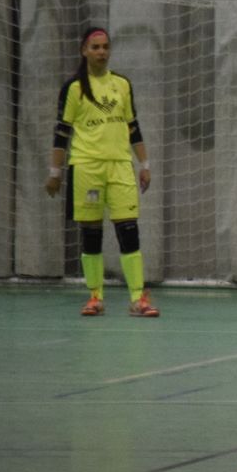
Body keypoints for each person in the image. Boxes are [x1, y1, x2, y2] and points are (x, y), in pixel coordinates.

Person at [45, 27, 159, 317]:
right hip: (87, 168)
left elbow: (133, 127)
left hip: (120, 166)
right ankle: (95, 297)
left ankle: (138, 299)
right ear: (84, 50)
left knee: (129, 231)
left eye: (106, 47)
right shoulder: (74, 88)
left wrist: (144, 165)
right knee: (91, 234)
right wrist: (55, 173)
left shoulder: (122, 84)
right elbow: (62, 133)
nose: (101, 52)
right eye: (95, 47)